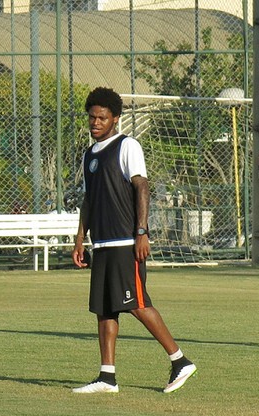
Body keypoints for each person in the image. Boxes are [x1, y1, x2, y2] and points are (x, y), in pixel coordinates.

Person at [71, 87, 197, 394]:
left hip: (124, 243)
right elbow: (89, 199)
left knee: (137, 304)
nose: (95, 123)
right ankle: (106, 376)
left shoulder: (127, 146)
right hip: (101, 244)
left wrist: (141, 232)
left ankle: (180, 360)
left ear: (115, 119)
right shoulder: (90, 155)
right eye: (92, 117)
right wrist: (79, 238)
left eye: (102, 117)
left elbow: (142, 187)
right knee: (105, 309)